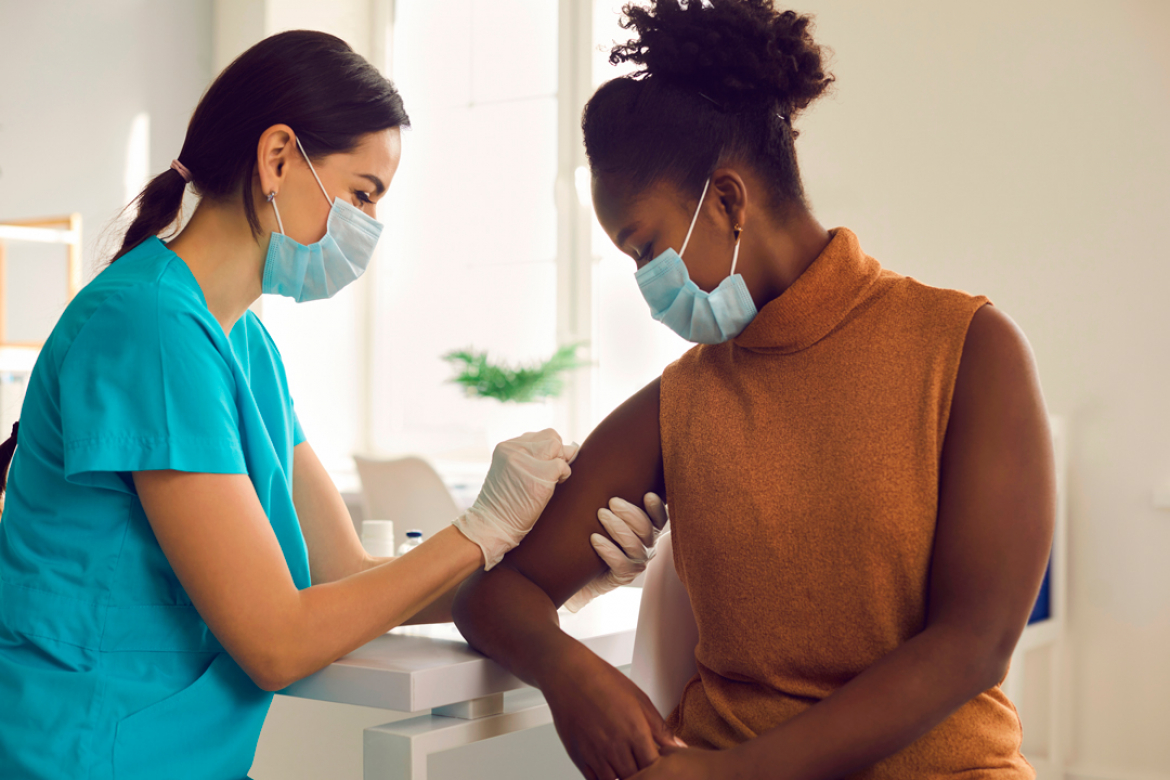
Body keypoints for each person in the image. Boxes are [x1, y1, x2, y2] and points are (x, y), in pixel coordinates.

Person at [0, 30, 659, 780]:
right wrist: (479, 529)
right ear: (278, 158)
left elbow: (338, 571)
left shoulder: (242, 345)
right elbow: (276, 641)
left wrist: (552, 575)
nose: (370, 228)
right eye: (362, 194)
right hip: (86, 754)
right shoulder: (149, 326)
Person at [452, 2, 1056, 779]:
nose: (645, 284)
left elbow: (972, 645)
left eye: (647, 248)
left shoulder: (970, 350)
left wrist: (733, 776)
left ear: (730, 202)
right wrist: (569, 673)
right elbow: (496, 598)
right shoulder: (682, 402)